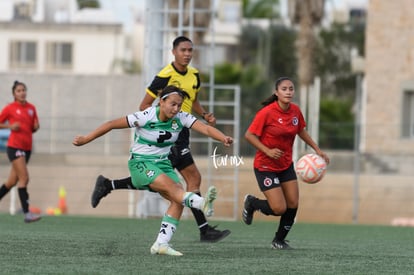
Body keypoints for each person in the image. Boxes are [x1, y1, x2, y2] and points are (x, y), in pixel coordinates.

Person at [91, 36, 231, 242]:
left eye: (190, 50)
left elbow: (192, 100)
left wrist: (204, 114)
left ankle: (108, 185)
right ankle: (204, 229)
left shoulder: (194, 75)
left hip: (181, 129)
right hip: (169, 136)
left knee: (160, 181)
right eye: (183, 50)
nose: (187, 54)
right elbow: (144, 105)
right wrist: (160, 127)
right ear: (173, 51)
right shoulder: (164, 76)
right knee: (182, 180)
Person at [73, 85, 233, 256]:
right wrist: (86, 139)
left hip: (163, 163)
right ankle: (202, 203)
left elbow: (206, 128)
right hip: (141, 163)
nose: (176, 108)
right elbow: (111, 124)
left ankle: (161, 244)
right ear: (162, 101)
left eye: (179, 105)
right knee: (175, 190)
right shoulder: (146, 116)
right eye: (173, 104)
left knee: (177, 199)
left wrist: (222, 138)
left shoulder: (181, 117)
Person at [242, 77, 330, 249]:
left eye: (291, 88)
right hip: (265, 166)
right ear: (276, 92)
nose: (288, 91)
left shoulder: (295, 111)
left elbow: (301, 131)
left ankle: (279, 240)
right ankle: (252, 203)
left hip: (285, 165)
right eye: (284, 89)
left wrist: (316, 149)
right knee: (279, 208)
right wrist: (267, 151)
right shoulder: (267, 112)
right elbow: (249, 135)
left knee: (293, 204)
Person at [0, 80, 41, 223]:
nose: (22, 92)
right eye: (19, 90)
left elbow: (34, 126)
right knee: (24, 178)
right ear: (14, 94)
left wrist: (35, 127)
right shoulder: (10, 108)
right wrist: (10, 127)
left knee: (11, 182)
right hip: (14, 147)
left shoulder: (31, 108)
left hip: (27, 148)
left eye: (24, 90)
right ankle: (27, 213)